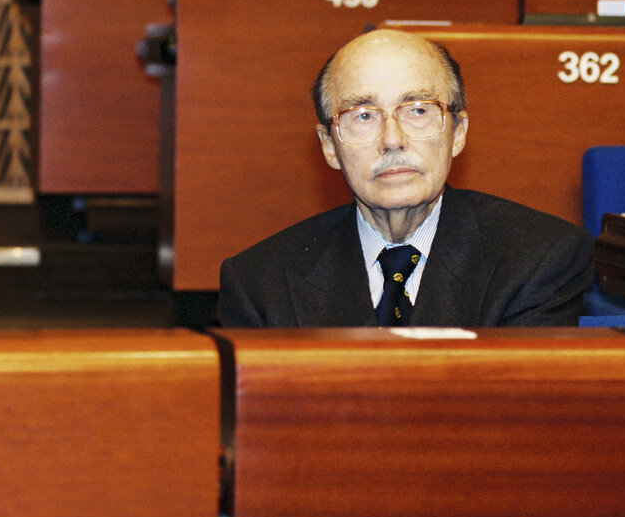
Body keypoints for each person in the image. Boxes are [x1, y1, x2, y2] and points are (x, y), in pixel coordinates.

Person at [218, 29, 592, 328]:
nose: (392, 140)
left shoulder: (539, 259)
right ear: (329, 146)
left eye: (417, 110)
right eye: (363, 115)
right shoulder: (260, 284)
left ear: (457, 132)